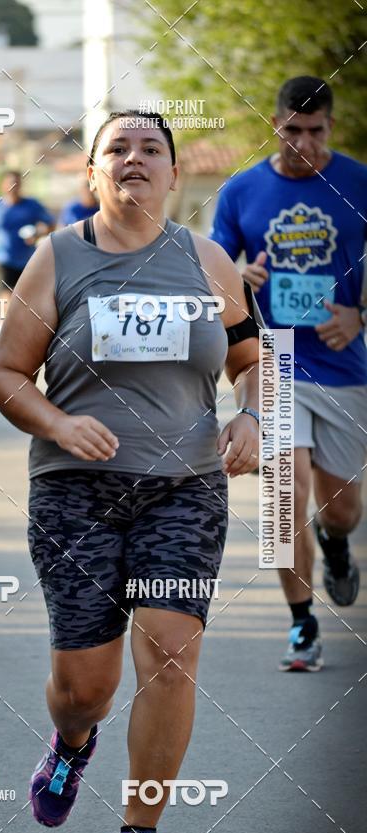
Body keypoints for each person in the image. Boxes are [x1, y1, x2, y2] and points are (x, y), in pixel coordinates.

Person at [0, 110, 261, 833]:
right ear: (92, 172)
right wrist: (57, 423)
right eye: (118, 148)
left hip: (184, 489)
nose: (134, 159)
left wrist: (251, 415)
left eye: (151, 149)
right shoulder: (57, 257)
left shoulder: (208, 260)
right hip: (75, 492)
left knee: (171, 656)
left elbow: (253, 361)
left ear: (173, 172)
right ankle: (72, 743)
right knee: (87, 689)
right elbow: (6, 373)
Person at [210, 76, 367, 673]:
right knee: (283, 494)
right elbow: (213, 268)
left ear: (331, 127)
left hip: (343, 366)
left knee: (342, 509)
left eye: (315, 131)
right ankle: (302, 623)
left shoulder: (358, 182)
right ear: (274, 124)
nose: (303, 142)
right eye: (292, 130)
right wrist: (238, 277)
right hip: (272, 358)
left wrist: (360, 313)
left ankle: (335, 541)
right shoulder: (242, 191)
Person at [0, 170, 54, 299]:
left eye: (16, 183)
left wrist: (36, 234)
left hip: (27, 262)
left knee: (25, 301)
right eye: (10, 183)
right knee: (6, 299)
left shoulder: (32, 205)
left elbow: (50, 225)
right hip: (3, 260)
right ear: (2, 185)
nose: (13, 186)